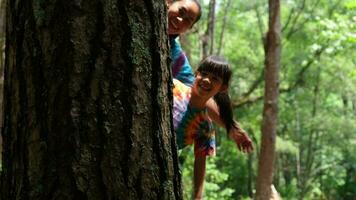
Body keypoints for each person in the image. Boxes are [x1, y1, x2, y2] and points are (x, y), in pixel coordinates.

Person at [173, 55, 253, 200]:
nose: (206, 80)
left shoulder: (205, 127)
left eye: (215, 78)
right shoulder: (173, 87)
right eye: (203, 74)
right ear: (196, 73)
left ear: (223, 88)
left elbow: (200, 163)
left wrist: (197, 197)